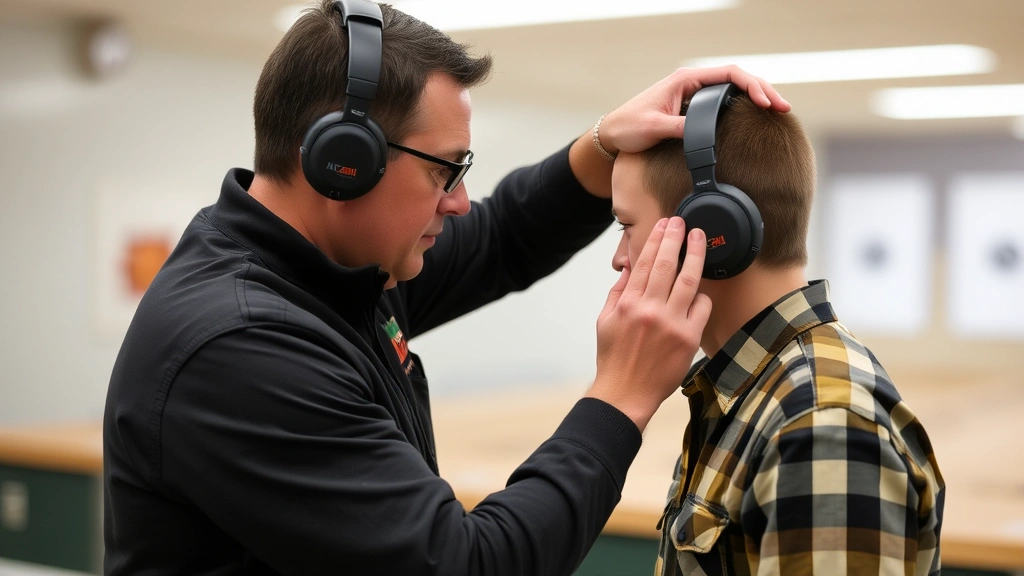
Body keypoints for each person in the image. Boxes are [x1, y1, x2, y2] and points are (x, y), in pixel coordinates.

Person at [102, 1, 790, 574]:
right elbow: (467, 566)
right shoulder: (242, 347)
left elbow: (503, 239)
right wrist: (620, 397)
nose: (459, 202)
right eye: (444, 172)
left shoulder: (327, 274)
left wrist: (604, 142)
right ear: (343, 164)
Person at [608, 89, 945, 575]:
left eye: (626, 225)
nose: (619, 257)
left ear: (709, 229)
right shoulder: (755, 390)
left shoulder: (822, 428)